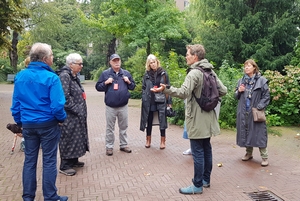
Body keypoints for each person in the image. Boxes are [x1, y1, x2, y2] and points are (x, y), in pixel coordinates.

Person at [151, 44, 227, 194]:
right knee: (207, 149)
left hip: (197, 119)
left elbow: (183, 92)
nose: (186, 56)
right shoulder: (210, 70)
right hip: (209, 118)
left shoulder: (194, 73)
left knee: (197, 152)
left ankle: (197, 185)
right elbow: (223, 91)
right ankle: (206, 180)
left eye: (188, 54)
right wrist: (207, 98)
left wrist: (165, 89)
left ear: (195, 56)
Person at [10, 43, 68, 201]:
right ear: (45, 59)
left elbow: (15, 104)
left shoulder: (21, 76)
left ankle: (28, 197)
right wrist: (62, 119)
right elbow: (57, 105)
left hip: (28, 125)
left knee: (29, 161)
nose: (53, 58)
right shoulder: (52, 78)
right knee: (49, 161)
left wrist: (20, 122)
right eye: (52, 55)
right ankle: (50, 196)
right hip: (48, 124)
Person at [95, 54, 136, 156]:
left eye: (118, 60)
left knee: (124, 127)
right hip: (110, 107)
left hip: (123, 106)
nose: (117, 62)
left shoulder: (126, 73)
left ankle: (123, 145)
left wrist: (128, 81)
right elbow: (98, 87)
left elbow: (133, 87)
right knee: (110, 128)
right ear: (110, 62)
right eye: (114, 61)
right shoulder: (105, 74)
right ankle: (109, 147)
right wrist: (105, 83)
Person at [56, 53, 90, 176]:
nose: (81, 66)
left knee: (77, 136)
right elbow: (64, 97)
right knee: (68, 138)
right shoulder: (65, 76)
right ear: (71, 64)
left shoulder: (74, 76)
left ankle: (74, 160)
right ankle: (65, 165)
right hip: (69, 115)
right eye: (79, 63)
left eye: (81, 63)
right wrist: (77, 109)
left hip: (77, 115)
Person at [235, 59, 270, 166]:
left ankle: (264, 157)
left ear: (254, 67)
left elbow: (266, 96)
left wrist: (259, 107)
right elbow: (235, 96)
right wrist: (239, 91)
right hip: (244, 111)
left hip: (255, 112)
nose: (246, 68)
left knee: (259, 134)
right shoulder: (241, 81)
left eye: (249, 66)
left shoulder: (262, 81)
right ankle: (248, 153)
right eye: (245, 66)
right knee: (246, 132)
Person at [140, 54, 171, 149]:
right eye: (151, 63)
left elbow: (168, 88)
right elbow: (143, 88)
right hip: (150, 100)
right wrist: (144, 97)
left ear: (157, 62)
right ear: (148, 65)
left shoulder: (164, 73)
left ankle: (163, 141)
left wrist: (169, 103)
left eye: (154, 62)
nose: (153, 64)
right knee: (148, 120)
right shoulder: (146, 74)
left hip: (161, 100)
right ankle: (148, 140)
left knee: (162, 120)